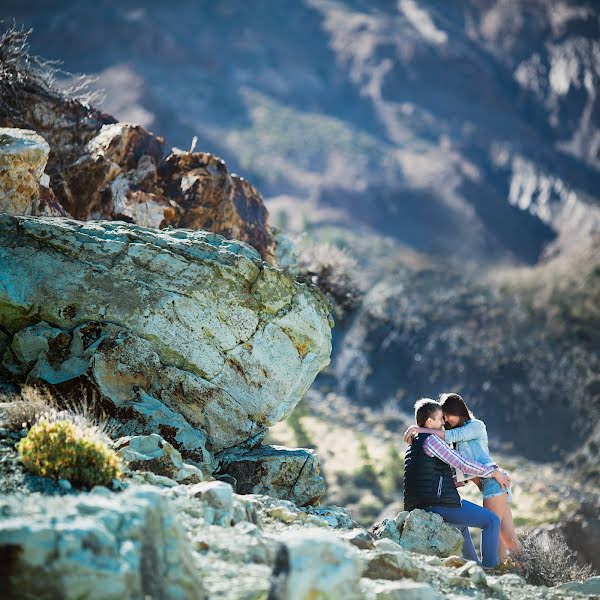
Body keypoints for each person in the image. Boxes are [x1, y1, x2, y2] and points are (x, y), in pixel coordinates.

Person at [403, 393, 522, 562]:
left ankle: (498, 569)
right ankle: (489, 568)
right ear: (431, 421)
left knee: (501, 535)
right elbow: (460, 467)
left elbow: (460, 462)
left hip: (493, 481)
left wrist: (418, 429)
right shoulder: (436, 440)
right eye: (441, 418)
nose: (444, 422)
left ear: (457, 412)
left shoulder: (474, 426)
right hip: (486, 482)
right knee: (502, 535)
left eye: (446, 417)